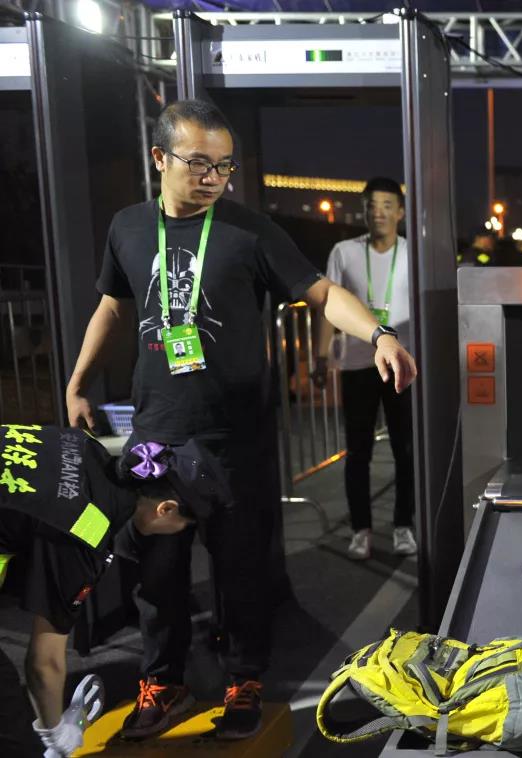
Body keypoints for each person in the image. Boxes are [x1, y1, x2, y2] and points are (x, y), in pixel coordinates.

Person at [63, 99, 417, 741]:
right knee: (156, 574)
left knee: (241, 568)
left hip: (235, 437)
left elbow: (323, 293)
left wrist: (379, 334)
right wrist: (79, 380)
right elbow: (112, 306)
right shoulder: (128, 228)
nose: (213, 178)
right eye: (199, 163)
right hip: (156, 434)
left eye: (224, 166)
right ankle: (162, 682)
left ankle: (244, 679)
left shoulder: (250, 231)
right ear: (159, 158)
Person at [0, 424, 228, 757]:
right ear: (165, 509)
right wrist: (55, 734)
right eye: (184, 526)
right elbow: (44, 663)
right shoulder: (84, 528)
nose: (179, 533)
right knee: (9, 721)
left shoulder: (83, 444)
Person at [316, 177, 417, 560]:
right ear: (363, 211)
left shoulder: (413, 253)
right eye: (372, 205)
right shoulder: (344, 251)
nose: (379, 212)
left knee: (406, 450)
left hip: (402, 363)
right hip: (357, 363)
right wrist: (320, 356)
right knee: (358, 452)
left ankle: (404, 525)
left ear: (400, 212)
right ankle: (361, 529)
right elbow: (327, 305)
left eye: (387, 205)